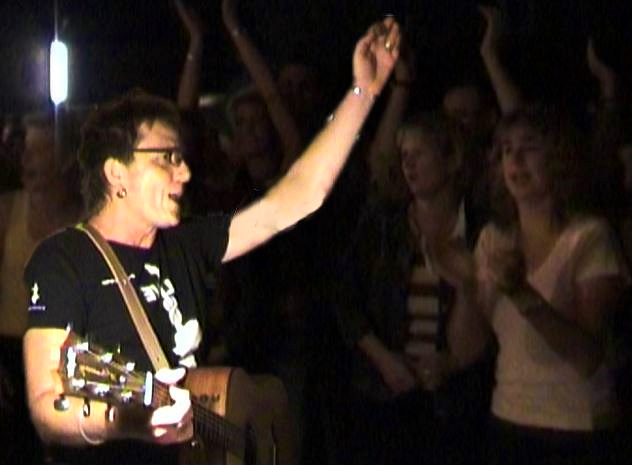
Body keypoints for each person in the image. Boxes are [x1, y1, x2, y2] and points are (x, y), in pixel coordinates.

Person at [22, 17, 400, 465]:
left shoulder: (187, 243)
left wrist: (364, 92)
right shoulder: (64, 260)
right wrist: (127, 422)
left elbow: (296, 197)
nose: (184, 173)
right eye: (166, 158)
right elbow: (47, 404)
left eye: (182, 158)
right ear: (116, 173)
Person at [421, 104, 628, 465]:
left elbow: (588, 356)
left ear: (559, 160)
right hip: (510, 420)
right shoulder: (493, 238)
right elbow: (469, 348)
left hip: (577, 428)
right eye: (506, 150)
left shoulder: (589, 237)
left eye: (529, 147)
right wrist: (466, 288)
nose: (515, 160)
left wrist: (521, 294)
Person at [336, 112, 492, 465]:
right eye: (404, 155)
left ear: (451, 159)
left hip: (459, 400)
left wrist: (452, 363)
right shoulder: (384, 226)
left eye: (419, 153)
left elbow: (495, 320)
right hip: (387, 393)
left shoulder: (481, 229)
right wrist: (384, 359)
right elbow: (345, 298)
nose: (408, 164)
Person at [0, 110, 82, 464]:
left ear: (64, 158)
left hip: (66, 359)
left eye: (38, 151)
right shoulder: (7, 211)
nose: (26, 159)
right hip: (9, 361)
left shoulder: (84, 221)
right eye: (26, 150)